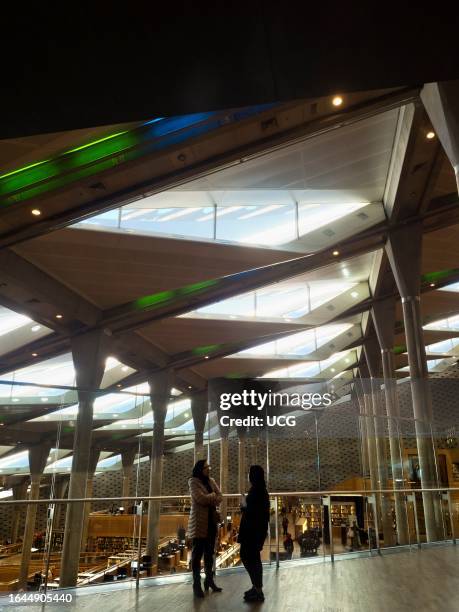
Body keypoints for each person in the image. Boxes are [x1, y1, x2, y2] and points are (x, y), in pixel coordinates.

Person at [187, 459, 223, 598]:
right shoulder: (193, 481)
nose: (209, 469)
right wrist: (213, 496)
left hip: (211, 522)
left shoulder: (211, 480)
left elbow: (221, 496)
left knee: (209, 553)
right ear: (200, 469)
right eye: (206, 467)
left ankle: (209, 580)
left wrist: (213, 497)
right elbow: (200, 499)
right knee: (197, 556)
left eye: (209, 467)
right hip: (199, 523)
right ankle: (196, 584)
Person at [238, 465, 270, 603]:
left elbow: (252, 512)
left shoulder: (257, 491)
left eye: (249, 473)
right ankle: (257, 588)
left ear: (253, 476)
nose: (247, 475)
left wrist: (244, 505)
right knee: (253, 558)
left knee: (248, 557)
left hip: (252, 532)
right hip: (256, 531)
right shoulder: (260, 490)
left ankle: (258, 589)